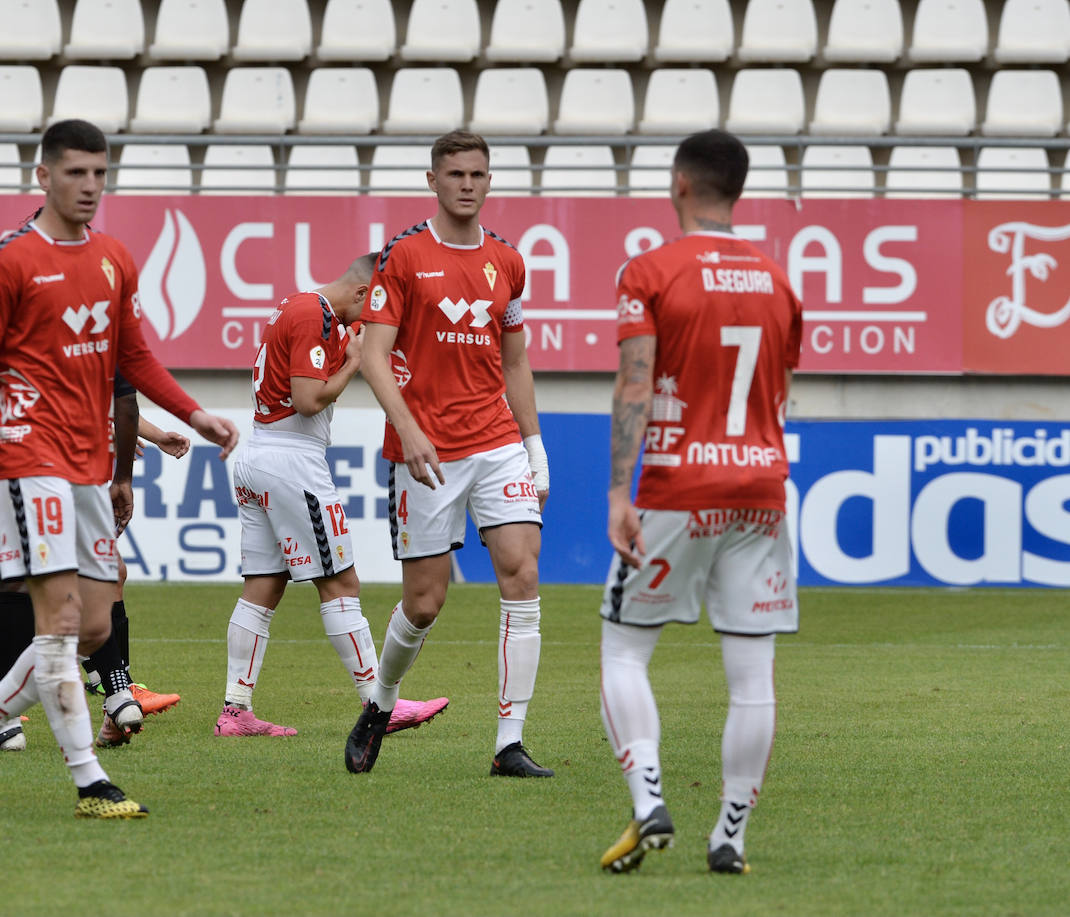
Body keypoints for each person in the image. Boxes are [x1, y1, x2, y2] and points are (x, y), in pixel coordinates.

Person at [0, 118, 238, 819]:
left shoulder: (114, 259)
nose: (91, 186)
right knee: (60, 615)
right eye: (76, 173)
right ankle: (89, 780)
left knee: (94, 625)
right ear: (43, 176)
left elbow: (136, 357)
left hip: (87, 463)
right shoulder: (7, 261)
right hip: (23, 458)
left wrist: (194, 415)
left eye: (100, 173)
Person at [598, 129, 802, 875]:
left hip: (681, 485)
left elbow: (635, 384)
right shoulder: (779, 281)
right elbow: (781, 389)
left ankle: (648, 793)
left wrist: (622, 488)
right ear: (737, 191)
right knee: (753, 674)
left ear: (680, 183)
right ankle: (731, 835)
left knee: (624, 648)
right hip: (760, 487)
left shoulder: (650, 270)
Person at [344, 130, 552, 777]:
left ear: (491, 182)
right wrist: (406, 427)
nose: (468, 184)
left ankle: (508, 743)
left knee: (521, 574)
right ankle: (381, 702)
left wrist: (534, 442)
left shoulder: (509, 262)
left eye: (479, 174)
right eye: (456, 173)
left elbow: (515, 359)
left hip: (495, 443)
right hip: (425, 451)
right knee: (425, 601)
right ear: (432, 180)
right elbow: (372, 356)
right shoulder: (404, 257)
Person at [217, 253, 449, 738]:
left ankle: (235, 711)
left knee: (262, 588)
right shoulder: (315, 314)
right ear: (364, 293)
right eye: (373, 309)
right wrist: (356, 364)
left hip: (259, 453)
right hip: (291, 462)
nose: (369, 322)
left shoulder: (292, 305)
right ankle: (378, 706)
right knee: (341, 584)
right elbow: (307, 398)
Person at [0, 404, 188, 752]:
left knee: (45, 585)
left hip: (59, 459)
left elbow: (113, 392)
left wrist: (132, 431)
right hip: (44, 462)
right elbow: (118, 390)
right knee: (27, 588)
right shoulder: (63, 357)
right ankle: (113, 690)